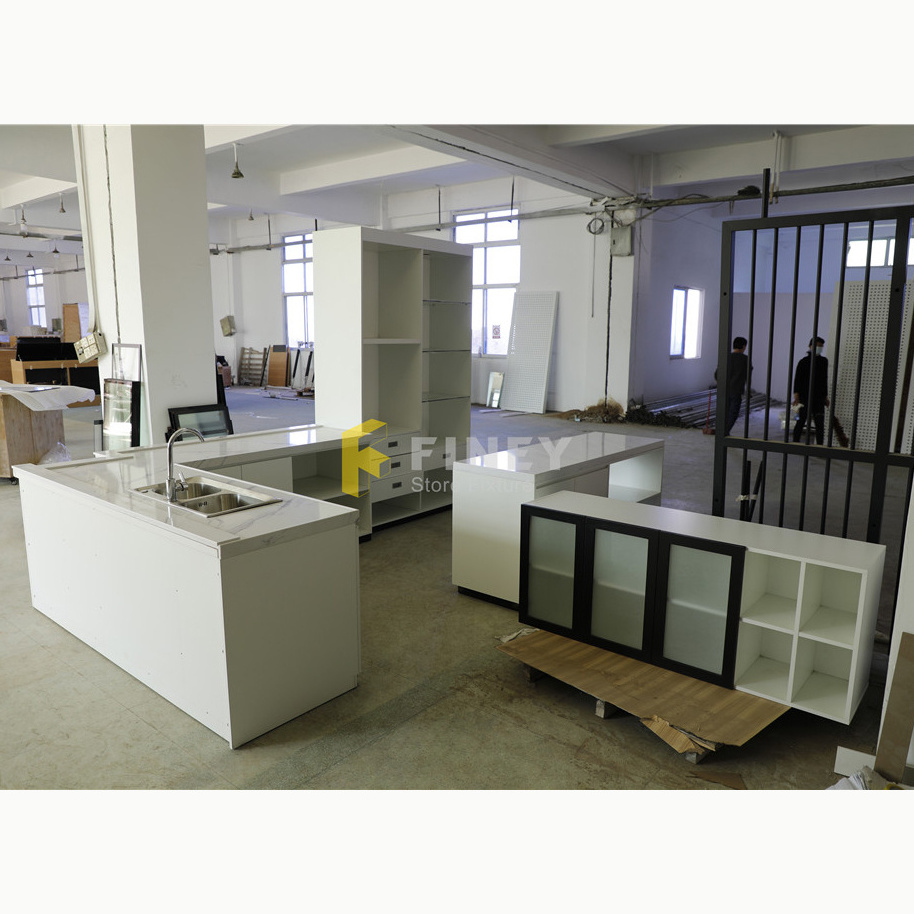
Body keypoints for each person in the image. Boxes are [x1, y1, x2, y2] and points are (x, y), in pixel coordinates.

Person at [792, 336, 829, 444]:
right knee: (801, 421)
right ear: (810, 346)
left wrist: (825, 397)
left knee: (819, 423)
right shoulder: (803, 362)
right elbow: (798, 380)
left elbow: (824, 380)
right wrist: (796, 396)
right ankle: (795, 443)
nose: (819, 348)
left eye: (821, 346)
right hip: (804, 396)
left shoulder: (824, 361)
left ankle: (819, 446)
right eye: (817, 346)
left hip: (819, 397)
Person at [716, 336, 749, 434]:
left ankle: (721, 432)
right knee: (733, 412)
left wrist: (721, 384)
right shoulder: (745, 359)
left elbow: (717, 374)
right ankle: (725, 432)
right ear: (744, 346)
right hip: (736, 390)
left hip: (723, 390)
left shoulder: (726, 357)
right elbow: (748, 375)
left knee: (724, 411)